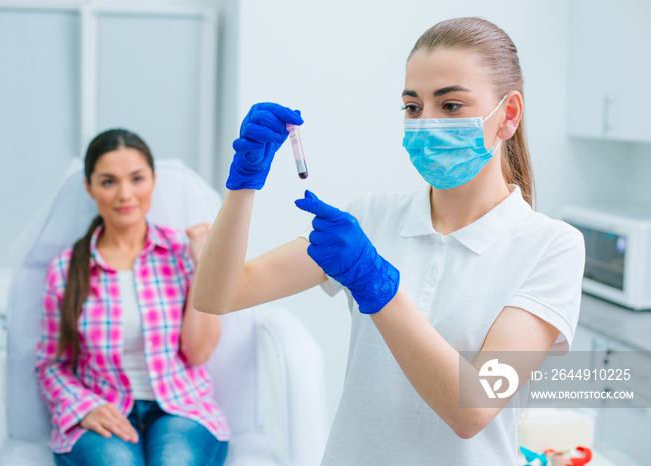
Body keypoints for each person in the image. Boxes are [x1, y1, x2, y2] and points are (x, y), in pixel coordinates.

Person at [192, 17, 585, 465]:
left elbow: (474, 404)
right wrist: (244, 184)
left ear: (508, 115)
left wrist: (376, 283)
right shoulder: (373, 217)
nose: (426, 123)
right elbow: (217, 295)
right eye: (413, 107)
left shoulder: (551, 247)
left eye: (451, 105)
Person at [34, 129, 229, 466]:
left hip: (182, 407)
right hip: (103, 408)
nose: (125, 194)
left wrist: (202, 265)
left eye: (136, 179)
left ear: (153, 181)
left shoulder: (183, 253)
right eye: (108, 182)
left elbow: (197, 352)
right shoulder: (65, 269)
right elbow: (51, 365)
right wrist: (85, 406)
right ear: (89, 187)